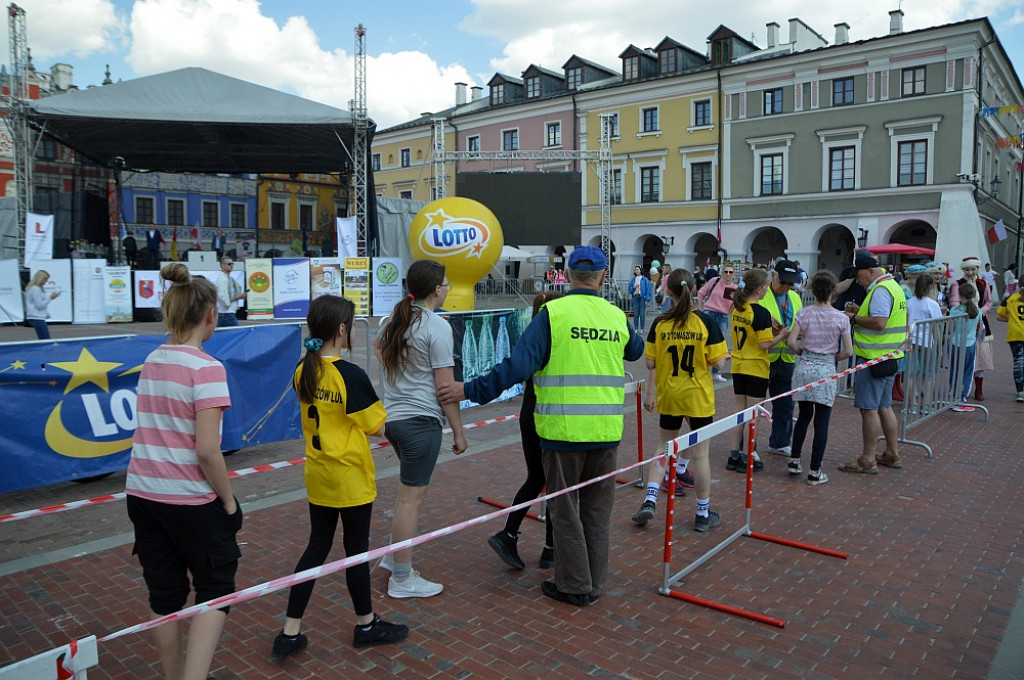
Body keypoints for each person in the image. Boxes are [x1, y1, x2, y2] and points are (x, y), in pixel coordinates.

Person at [438, 245, 644, 607]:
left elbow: (515, 368)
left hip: (563, 433)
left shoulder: (553, 314)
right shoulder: (614, 316)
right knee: (596, 513)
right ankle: (594, 583)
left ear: (565, 275)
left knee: (564, 512)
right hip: (607, 432)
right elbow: (636, 350)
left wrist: (467, 389)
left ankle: (573, 585)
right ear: (602, 276)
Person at [124, 263, 241, 680]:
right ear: (210, 315)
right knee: (216, 584)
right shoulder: (207, 368)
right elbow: (208, 451)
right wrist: (228, 501)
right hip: (189, 498)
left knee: (165, 594)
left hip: (142, 492)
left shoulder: (153, 359)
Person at [273, 296, 407, 659]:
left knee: (316, 547)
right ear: (342, 330)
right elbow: (378, 426)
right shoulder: (350, 375)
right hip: (350, 477)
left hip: (318, 474)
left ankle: (290, 630)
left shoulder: (304, 369)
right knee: (354, 553)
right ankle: (365, 624)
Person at [374, 260, 467, 598]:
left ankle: (393, 555)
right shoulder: (436, 326)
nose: (447, 288)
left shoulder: (391, 322)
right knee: (410, 499)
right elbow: (446, 389)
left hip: (394, 420)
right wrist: (458, 431)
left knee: (406, 496)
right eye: (445, 283)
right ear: (435, 289)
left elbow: (381, 354)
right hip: (420, 422)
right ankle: (402, 577)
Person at [631, 268, 728, 531]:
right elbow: (719, 361)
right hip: (697, 395)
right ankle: (702, 513)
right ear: (695, 289)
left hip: (671, 393)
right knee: (701, 455)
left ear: (669, 292)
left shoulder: (661, 323)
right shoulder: (705, 322)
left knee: (664, 446)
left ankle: (650, 499)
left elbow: (650, 362)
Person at [486, 291, 562, 572]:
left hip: (529, 414)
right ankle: (551, 549)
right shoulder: (554, 338)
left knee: (536, 478)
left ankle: (509, 533)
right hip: (547, 416)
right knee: (555, 482)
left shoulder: (530, 336)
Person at [838, 252, 908, 474]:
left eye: (859, 276)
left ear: (870, 271)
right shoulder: (893, 286)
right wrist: (860, 312)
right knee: (884, 407)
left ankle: (868, 458)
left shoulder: (879, 290)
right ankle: (892, 453)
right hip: (890, 356)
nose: (858, 281)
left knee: (868, 409)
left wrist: (853, 318)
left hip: (874, 358)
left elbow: (879, 322)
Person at [785, 271, 852, 486]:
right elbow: (848, 351)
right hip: (825, 369)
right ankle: (815, 470)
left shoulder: (804, 314)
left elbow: (791, 342)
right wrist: (832, 359)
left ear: (813, 290)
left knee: (803, 416)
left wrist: (803, 354)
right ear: (834, 291)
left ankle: (794, 460)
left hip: (805, 367)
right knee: (822, 422)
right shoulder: (841, 318)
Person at [726, 269, 788, 471]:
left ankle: (734, 454)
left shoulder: (738, 308)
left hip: (738, 364)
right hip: (755, 367)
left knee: (739, 411)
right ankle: (747, 455)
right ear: (760, 289)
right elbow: (764, 344)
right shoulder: (760, 312)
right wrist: (783, 335)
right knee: (753, 414)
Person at [761, 260, 803, 456]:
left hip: (786, 359)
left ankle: (779, 442)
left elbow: (800, 324)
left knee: (785, 404)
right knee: (755, 405)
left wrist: (796, 333)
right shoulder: (761, 295)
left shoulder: (795, 298)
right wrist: (766, 323)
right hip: (763, 358)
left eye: (790, 283)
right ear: (774, 276)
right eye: (783, 282)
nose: (786, 287)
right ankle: (747, 446)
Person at [947, 256, 994, 401]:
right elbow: (954, 301)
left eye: (973, 269)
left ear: (977, 269)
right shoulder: (957, 284)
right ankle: (959, 392)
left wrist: (981, 311)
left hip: (979, 321)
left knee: (981, 359)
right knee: (964, 361)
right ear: (963, 269)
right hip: (965, 322)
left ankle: (978, 389)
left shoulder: (983, 283)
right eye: (967, 269)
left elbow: (989, 301)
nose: (970, 272)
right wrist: (964, 311)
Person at [697, 263, 738, 382]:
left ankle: (715, 373)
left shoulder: (735, 289)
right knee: (703, 341)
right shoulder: (715, 281)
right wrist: (701, 309)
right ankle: (701, 369)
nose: (728, 274)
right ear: (722, 272)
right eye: (726, 271)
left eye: (730, 272)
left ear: (734, 274)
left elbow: (734, 307)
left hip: (723, 316)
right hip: (709, 313)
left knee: (720, 344)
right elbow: (701, 293)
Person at [948, 282, 983, 410]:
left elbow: (950, 328)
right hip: (970, 344)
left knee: (954, 370)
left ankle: (953, 394)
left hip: (955, 343)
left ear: (960, 295)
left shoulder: (954, 310)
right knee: (967, 372)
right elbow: (979, 329)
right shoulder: (978, 311)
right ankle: (962, 397)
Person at [996, 282, 1024, 402]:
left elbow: (999, 316)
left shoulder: (1010, 298)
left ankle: (1020, 391)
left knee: (1018, 362)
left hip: (1015, 334)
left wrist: (1011, 318)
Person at [23, 269, 59, 339]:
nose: (46, 281)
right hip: (37, 317)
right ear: (40, 278)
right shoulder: (35, 289)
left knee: (44, 338)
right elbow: (39, 305)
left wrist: (50, 297)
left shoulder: (34, 288)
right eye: (45, 279)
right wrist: (50, 298)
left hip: (36, 317)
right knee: (45, 339)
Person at [215, 257, 245, 327]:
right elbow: (222, 296)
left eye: (232, 264)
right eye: (229, 264)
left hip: (225, 312)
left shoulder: (229, 278)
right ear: (222, 265)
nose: (231, 265)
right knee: (237, 333)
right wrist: (237, 297)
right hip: (227, 312)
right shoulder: (222, 279)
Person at [630, 265, 653, 333]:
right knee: (636, 314)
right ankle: (636, 328)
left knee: (642, 314)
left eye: (637, 269)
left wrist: (647, 299)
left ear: (640, 270)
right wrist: (633, 287)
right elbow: (630, 288)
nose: (636, 271)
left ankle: (642, 328)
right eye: (635, 270)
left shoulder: (645, 279)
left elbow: (648, 289)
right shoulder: (633, 279)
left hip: (642, 297)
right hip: (635, 297)